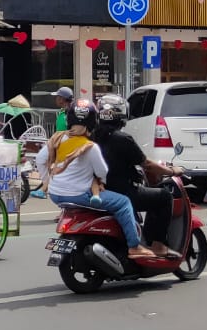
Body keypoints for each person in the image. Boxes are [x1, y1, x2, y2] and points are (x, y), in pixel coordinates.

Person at [35, 100, 149, 259]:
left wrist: (49, 181)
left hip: (55, 194)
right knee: (123, 203)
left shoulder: (58, 139)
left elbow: (40, 160)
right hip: (79, 194)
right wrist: (100, 181)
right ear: (93, 121)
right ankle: (134, 246)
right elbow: (102, 171)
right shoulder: (90, 146)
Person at [91, 93, 179, 256]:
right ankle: (158, 245)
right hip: (124, 192)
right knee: (164, 197)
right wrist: (172, 171)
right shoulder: (123, 139)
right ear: (122, 114)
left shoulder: (92, 137)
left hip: (100, 191)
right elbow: (146, 164)